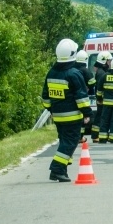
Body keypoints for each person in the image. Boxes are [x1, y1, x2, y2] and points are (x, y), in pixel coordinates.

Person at [41, 38, 92, 182]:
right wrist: (88, 113)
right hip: (72, 117)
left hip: (57, 117)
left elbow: (45, 96)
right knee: (70, 143)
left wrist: (50, 109)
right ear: (72, 54)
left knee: (64, 142)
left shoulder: (51, 73)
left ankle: (62, 170)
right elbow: (81, 97)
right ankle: (56, 169)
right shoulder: (74, 74)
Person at [91, 51, 113, 142]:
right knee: (100, 117)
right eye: (109, 61)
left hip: (102, 98)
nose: (110, 63)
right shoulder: (101, 73)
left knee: (100, 116)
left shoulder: (101, 71)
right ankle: (95, 135)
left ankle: (96, 135)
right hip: (102, 98)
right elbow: (101, 87)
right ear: (104, 61)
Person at [75, 50, 95, 139]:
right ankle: (80, 137)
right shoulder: (85, 71)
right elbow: (92, 82)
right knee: (83, 116)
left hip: (72, 97)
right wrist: (88, 87)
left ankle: (77, 136)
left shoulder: (72, 70)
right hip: (83, 96)